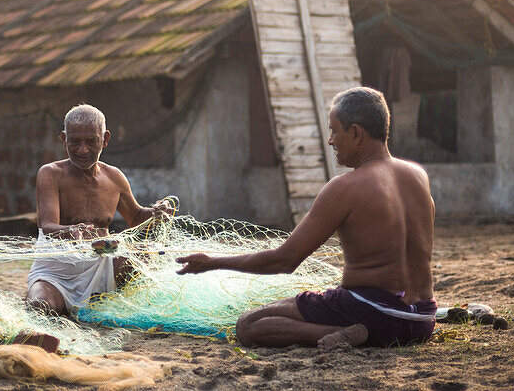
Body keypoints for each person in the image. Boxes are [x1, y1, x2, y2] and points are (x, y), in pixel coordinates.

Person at [176, 87, 436, 350]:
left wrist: (213, 262)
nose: (331, 141)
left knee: (249, 323)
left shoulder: (344, 188)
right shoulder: (418, 175)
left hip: (372, 315)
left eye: (334, 131)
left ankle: (343, 332)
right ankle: (352, 329)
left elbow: (284, 260)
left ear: (356, 133)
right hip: (421, 320)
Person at [26, 104, 175, 316]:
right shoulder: (50, 174)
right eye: (75, 142)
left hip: (101, 265)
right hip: (58, 271)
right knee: (40, 307)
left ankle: (100, 299)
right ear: (63, 139)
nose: (82, 149)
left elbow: (136, 218)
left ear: (105, 139)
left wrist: (157, 214)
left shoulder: (114, 177)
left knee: (144, 257)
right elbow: (48, 225)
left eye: (91, 141)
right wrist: (71, 231)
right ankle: (51, 296)